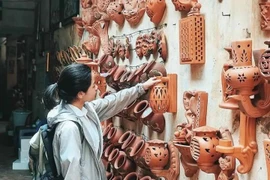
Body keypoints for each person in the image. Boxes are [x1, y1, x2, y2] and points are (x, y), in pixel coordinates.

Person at [42, 63, 161, 180]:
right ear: (80, 94)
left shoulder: (85, 110)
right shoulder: (69, 128)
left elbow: (113, 102)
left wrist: (141, 88)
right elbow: (71, 172)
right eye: (93, 85)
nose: (96, 87)